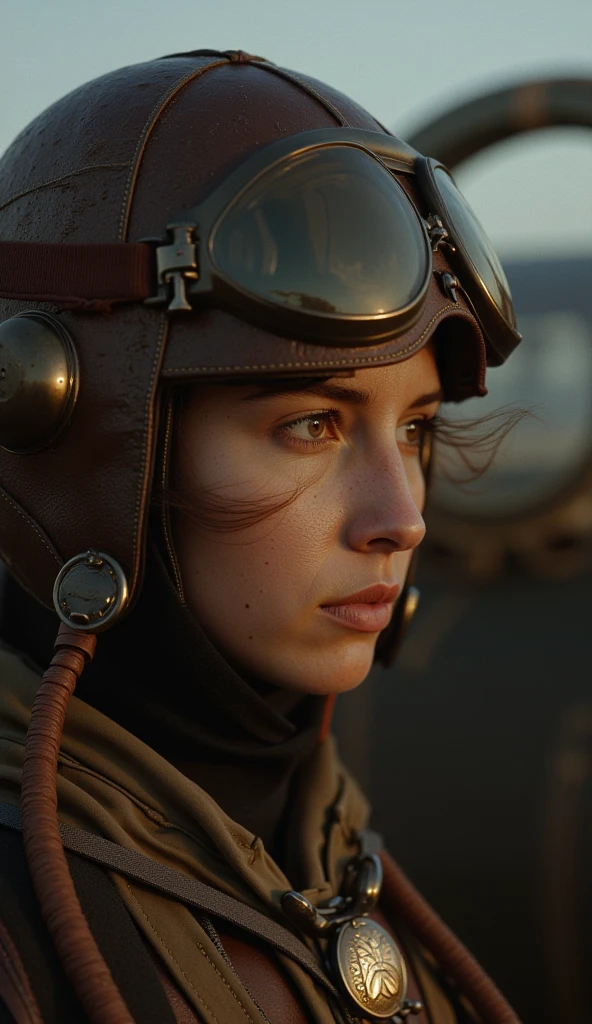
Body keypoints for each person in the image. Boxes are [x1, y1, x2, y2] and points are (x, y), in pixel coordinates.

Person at [0, 49, 522, 1024]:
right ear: (79, 438)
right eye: (311, 425)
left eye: (415, 429)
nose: (402, 516)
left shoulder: (327, 853)